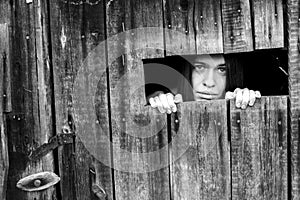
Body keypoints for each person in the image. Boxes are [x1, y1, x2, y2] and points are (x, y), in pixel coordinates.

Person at [148, 54, 261, 114]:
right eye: (200, 67)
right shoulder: (172, 95)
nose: (209, 82)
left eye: (222, 70)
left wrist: (246, 100)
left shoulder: (234, 94)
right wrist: (157, 102)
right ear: (188, 71)